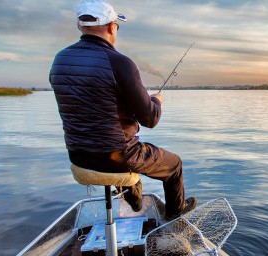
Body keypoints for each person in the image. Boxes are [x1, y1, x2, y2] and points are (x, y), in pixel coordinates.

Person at [49, 0, 196, 220]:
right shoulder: (120, 63)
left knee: (124, 152)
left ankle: (133, 193)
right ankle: (174, 215)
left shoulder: (60, 60)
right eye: (117, 25)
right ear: (111, 27)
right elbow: (150, 119)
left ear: (81, 26)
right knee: (174, 165)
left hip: (78, 155)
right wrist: (156, 101)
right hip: (118, 156)